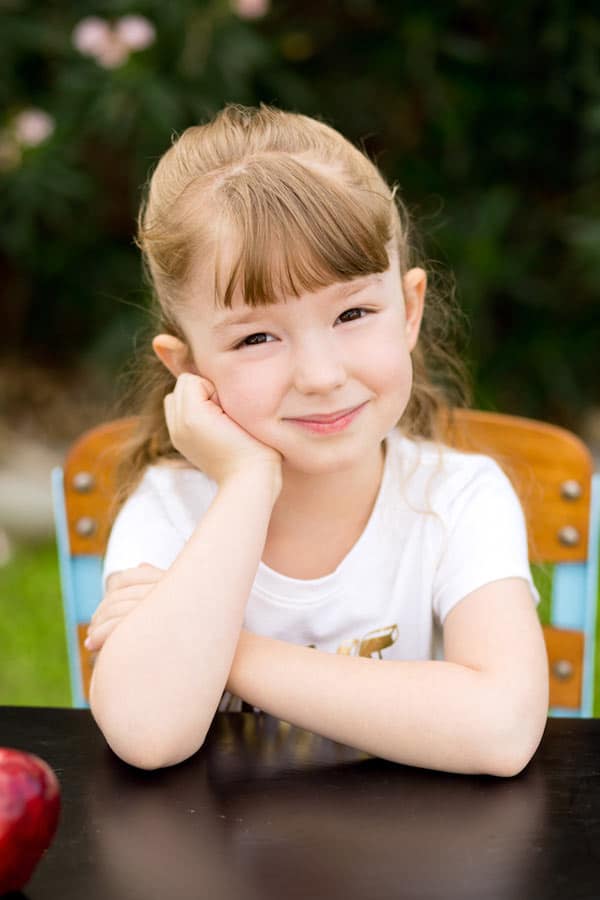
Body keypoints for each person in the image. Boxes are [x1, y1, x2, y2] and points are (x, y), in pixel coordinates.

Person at [85, 103, 549, 775]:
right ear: (188, 369)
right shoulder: (170, 511)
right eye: (256, 337)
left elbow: (502, 730)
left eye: (353, 313)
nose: (322, 376)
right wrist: (247, 481)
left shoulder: (456, 500)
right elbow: (148, 735)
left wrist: (231, 652)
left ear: (410, 310)